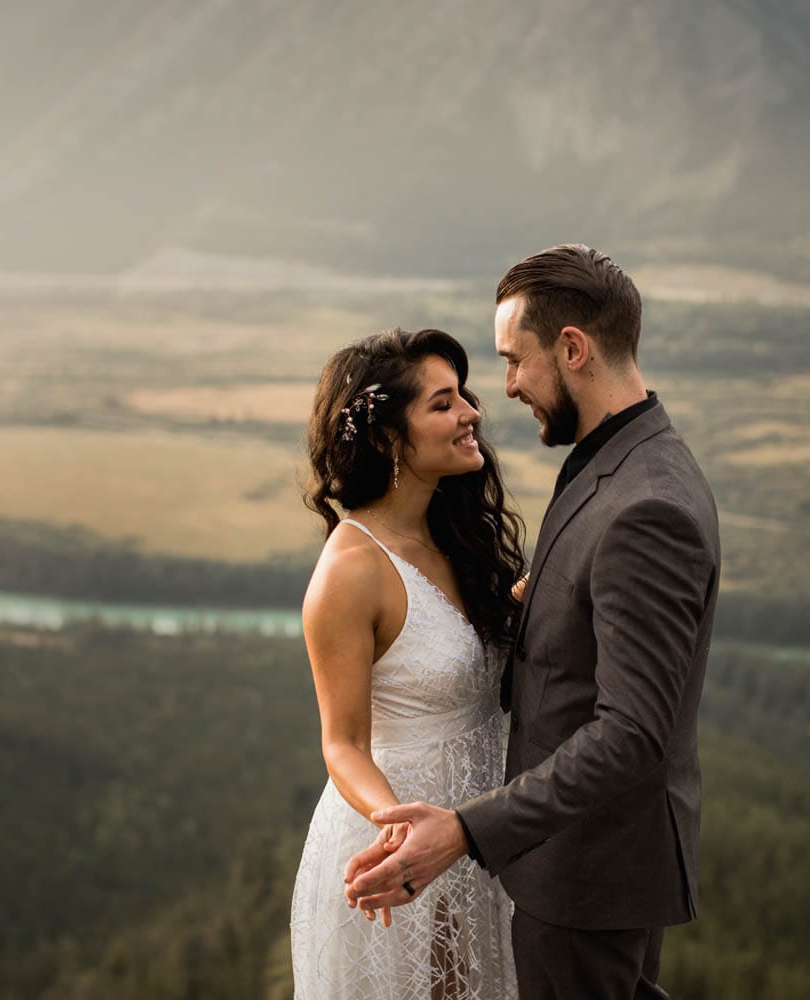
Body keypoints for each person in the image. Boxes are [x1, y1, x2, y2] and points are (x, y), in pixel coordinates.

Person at [344, 245, 721, 999]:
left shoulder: (644, 504)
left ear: (573, 348)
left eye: (516, 360)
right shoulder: (617, 458)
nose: (506, 387)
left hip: (588, 877)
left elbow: (632, 734)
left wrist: (465, 829)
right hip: (575, 868)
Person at [289, 328, 527, 1000]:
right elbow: (341, 744)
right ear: (391, 442)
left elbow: (468, 645)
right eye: (443, 404)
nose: (471, 413)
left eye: (464, 397)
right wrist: (401, 832)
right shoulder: (351, 570)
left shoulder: (451, 535)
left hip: (475, 838)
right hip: (398, 851)